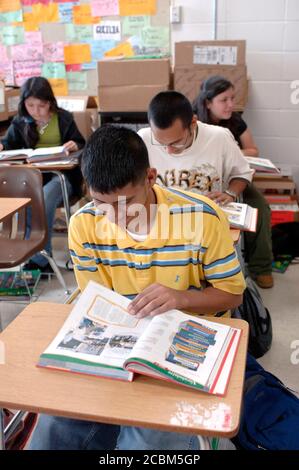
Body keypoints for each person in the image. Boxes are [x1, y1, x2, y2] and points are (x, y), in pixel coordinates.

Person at [28, 126, 245, 450]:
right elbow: (95, 300)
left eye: (127, 202)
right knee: (55, 424)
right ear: (89, 190)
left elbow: (233, 294)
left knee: (145, 438)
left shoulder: (200, 216)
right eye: (103, 202)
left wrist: (181, 297)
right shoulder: (84, 224)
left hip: (185, 342)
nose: (116, 217)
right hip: (122, 342)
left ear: (151, 177)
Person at [138, 90, 272, 289]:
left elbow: (242, 173)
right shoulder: (142, 138)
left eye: (176, 142)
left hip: (207, 222)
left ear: (193, 123)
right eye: (160, 142)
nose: (169, 150)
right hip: (162, 224)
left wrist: (230, 193)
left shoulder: (219, 138)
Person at [192, 76, 273, 288]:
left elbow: (253, 150)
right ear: (208, 102)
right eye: (224, 99)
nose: (230, 104)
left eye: (232, 98)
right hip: (204, 178)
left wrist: (230, 152)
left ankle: (261, 267)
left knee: (260, 208)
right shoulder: (193, 120)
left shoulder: (235, 120)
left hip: (236, 176)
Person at [0, 77, 85, 272]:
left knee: (44, 198)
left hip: (61, 178)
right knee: (28, 198)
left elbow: (81, 143)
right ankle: (36, 253)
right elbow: (9, 144)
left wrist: (75, 144)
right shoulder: (21, 121)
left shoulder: (64, 118)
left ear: (50, 102)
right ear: (24, 104)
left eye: (41, 105)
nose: (36, 111)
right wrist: (2, 145)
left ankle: (40, 259)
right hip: (32, 179)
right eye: (30, 105)